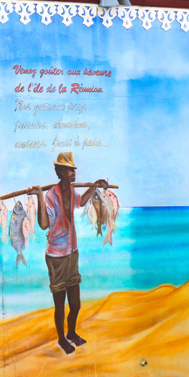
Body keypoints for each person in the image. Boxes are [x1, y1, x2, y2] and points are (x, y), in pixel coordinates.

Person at [30, 152, 107, 355]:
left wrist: (95, 186)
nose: (74, 172)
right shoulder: (51, 195)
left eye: (74, 169)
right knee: (60, 304)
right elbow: (44, 224)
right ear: (61, 172)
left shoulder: (72, 192)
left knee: (75, 304)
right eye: (70, 169)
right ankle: (62, 339)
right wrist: (39, 196)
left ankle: (71, 332)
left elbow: (81, 202)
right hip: (56, 257)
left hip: (72, 253)